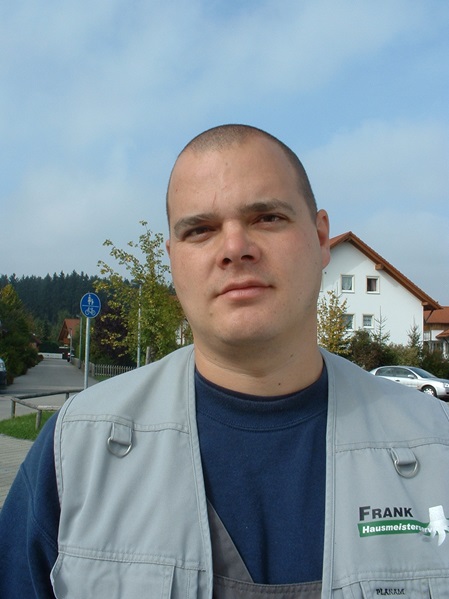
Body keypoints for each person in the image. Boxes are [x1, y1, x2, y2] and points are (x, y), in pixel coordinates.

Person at [1, 124, 448, 599]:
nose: (235, 249)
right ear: (173, 260)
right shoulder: (77, 449)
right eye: (200, 230)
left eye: (267, 218)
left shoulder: (436, 446)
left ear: (321, 238)